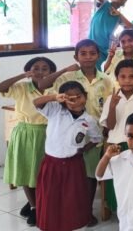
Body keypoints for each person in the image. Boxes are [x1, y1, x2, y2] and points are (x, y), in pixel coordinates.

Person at [39, 39, 114, 224]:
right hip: (67, 130)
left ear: (99, 55)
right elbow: (42, 85)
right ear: (76, 57)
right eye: (83, 53)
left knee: (89, 176)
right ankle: (66, 211)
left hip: (93, 132)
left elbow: (109, 105)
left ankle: (86, 211)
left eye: (92, 53)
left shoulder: (105, 80)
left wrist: (105, 130)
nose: (88, 57)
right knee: (72, 177)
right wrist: (64, 70)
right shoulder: (67, 77)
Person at [0, 56, 57, 226]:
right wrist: (22, 76)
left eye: (45, 68)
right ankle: (35, 207)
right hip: (26, 133)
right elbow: (0, 88)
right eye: (35, 68)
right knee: (26, 171)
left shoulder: (56, 88)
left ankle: (35, 201)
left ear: (52, 72)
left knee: (44, 173)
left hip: (50, 133)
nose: (40, 72)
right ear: (29, 71)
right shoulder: (22, 87)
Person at [34, 81, 103, 231]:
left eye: (78, 96)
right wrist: (53, 97)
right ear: (63, 99)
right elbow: (36, 103)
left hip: (74, 165)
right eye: (69, 98)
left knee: (72, 198)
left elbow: (97, 138)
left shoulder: (89, 120)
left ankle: (73, 226)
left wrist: (83, 149)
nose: (75, 101)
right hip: (52, 164)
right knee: (50, 198)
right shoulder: (55, 111)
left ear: (85, 96)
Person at [99, 60, 133, 213]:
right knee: (117, 180)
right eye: (123, 77)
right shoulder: (111, 99)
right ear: (117, 78)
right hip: (116, 145)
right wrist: (113, 106)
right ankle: (118, 209)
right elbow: (110, 125)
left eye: (132, 76)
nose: (127, 80)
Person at [89, 0, 132, 69]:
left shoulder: (118, 16)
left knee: (103, 70)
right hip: (92, 44)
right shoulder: (105, 4)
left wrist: (120, 14)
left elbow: (130, 27)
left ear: (124, 3)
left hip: (105, 49)